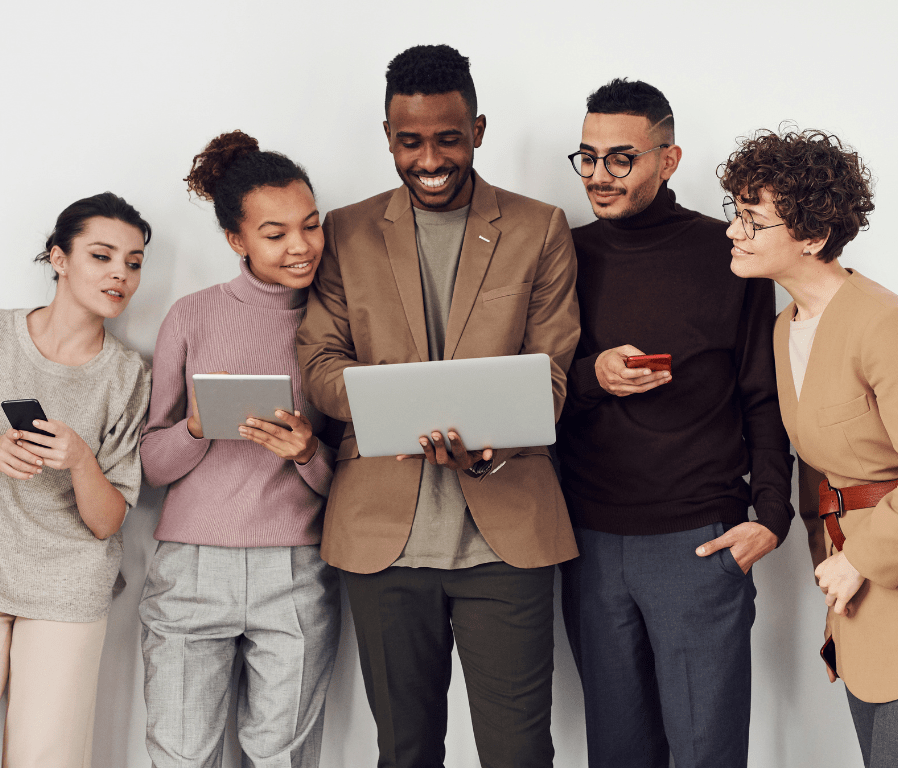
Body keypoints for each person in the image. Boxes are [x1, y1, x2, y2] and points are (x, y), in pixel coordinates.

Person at [296, 44, 579, 768]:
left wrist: (497, 438)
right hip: (381, 540)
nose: (429, 158)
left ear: (477, 130)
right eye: (410, 140)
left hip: (505, 536)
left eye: (448, 138)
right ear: (388, 137)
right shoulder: (348, 230)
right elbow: (319, 363)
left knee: (519, 753)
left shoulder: (539, 227)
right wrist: (396, 402)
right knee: (406, 751)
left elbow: (551, 372)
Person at [719, 127, 898, 768]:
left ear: (813, 237)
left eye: (752, 219)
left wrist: (859, 561)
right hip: (855, 592)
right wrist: (835, 561)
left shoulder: (886, 324)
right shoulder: (782, 328)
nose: (733, 232)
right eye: (734, 214)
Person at [554, 79, 794, 768]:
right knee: (617, 756)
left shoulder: (730, 254)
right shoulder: (559, 253)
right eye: (588, 157)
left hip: (699, 541)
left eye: (622, 158)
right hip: (590, 541)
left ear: (670, 158)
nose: (600, 176)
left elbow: (762, 396)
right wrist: (590, 377)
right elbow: (524, 391)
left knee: (706, 755)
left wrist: (770, 516)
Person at [0, 192, 152, 767]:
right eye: (102, 255)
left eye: (133, 263)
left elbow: (109, 520)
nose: (120, 273)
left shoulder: (128, 373)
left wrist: (82, 460)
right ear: (58, 258)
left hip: (66, 595)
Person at [138, 130, 339, 768]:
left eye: (310, 226)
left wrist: (308, 451)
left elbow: (356, 478)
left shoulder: (339, 320)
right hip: (192, 567)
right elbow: (151, 464)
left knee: (280, 757)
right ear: (237, 241)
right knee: (180, 755)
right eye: (276, 233)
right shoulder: (192, 316)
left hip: (296, 568)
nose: (301, 246)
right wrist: (196, 429)